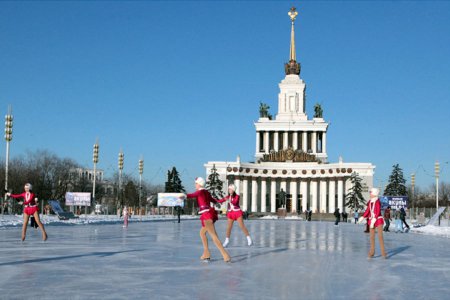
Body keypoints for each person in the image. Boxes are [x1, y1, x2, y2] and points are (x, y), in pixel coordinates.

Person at [186, 177, 230, 263]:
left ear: (199, 184)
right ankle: (206, 253)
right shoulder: (206, 192)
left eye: (196, 183)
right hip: (209, 214)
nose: (195, 185)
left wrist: (183, 196)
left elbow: (191, 195)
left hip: (207, 215)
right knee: (202, 233)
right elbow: (214, 200)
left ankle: (225, 255)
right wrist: (221, 200)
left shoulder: (200, 192)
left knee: (214, 236)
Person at [359, 188, 387, 259]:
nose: (370, 194)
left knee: (380, 237)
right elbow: (368, 210)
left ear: (374, 194)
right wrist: (363, 217)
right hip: (372, 220)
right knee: (371, 237)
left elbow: (377, 211)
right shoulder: (370, 202)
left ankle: (383, 253)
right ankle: (371, 253)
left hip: (378, 220)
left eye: (371, 193)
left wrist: (374, 220)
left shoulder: (377, 201)